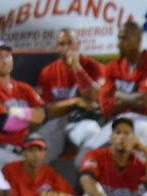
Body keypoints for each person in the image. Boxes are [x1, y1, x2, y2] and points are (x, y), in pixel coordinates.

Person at [80, 21, 147, 153]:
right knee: (86, 155)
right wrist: (132, 100)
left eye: (124, 38)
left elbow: (145, 101)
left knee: (128, 152)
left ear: (138, 40)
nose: (119, 43)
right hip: (118, 121)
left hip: (146, 121)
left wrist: (117, 94)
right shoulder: (112, 67)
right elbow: (106, 108)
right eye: (119, 38)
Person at [0, 40, 49, 168]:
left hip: (19, 153)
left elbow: (45, 114)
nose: (5, 60)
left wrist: (23, 114)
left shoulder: (23, 88)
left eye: (7, 56)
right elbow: (4, 124)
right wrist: (33, 116)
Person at [34, 28, 104, 162]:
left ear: (78, 45)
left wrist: (77, 67)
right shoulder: (48, 72)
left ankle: (84, 176)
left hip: (81, 121)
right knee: (36, 147)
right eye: (61, 44)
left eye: (70, 43)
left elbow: (95, 97)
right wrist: (76, 101)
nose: (66, 48)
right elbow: (47, 109)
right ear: (57, 48)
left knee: (93, 132)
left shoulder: (93, 67)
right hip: (57, 121)